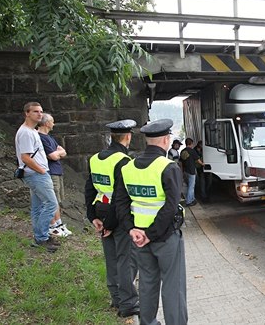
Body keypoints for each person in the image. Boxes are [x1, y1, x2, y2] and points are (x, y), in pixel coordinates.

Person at [116, 118, 188, 325]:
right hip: (165, 238)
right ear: (165, 140)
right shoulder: (168, 167)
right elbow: (170, 207)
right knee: (173, 286)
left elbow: (120, 204)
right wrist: (151, 234)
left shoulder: (128, 168)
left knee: (147, 284)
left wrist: (132, 230)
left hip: (138, 238)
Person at [84, 119, 139, 318]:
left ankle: (116, 299)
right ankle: (128, 304)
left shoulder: (95, 158)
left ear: (111, 137)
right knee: (126, 260)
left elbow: (89, 188)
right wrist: (111, 224)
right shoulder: (123, 161)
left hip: (101, 211)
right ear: (128, 137)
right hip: (117, 216)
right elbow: (120, 197)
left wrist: (93, 217)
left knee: (111, 258)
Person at [15, 102, 60, 252]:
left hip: (36, 173)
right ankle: (41, 238)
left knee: (38, 207)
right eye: (35, 111)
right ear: (27, 113)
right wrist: (41, 171)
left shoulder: (32, 131)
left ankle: (41, 236)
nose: (39, 114)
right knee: (51, 204)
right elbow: (26, 157)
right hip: (36, 174)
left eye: (41, 111)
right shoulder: (26, 133)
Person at [38, 113, 72, 237]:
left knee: (57, 200)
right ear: (46, 123)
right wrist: (58, 153)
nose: (54, 124)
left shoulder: (50, 137)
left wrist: (59, 152)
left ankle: (59, 224)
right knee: (52, 200)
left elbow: (63, 151)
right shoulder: (40, 137)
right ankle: (53, 226)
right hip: (50, 172)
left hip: (57, 171)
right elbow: (53, 156)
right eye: (52, 121)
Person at [180, 137, 202, 207]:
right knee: (191, 187)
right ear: (191, 144)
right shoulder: (192, 151)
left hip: (185, 171)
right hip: (191, 171)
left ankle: (192, 199)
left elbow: (180, 162)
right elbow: (198, 160)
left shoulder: (182, 151)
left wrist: (182, 171)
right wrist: (203, 164)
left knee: (187, 186)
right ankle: (189, 201)